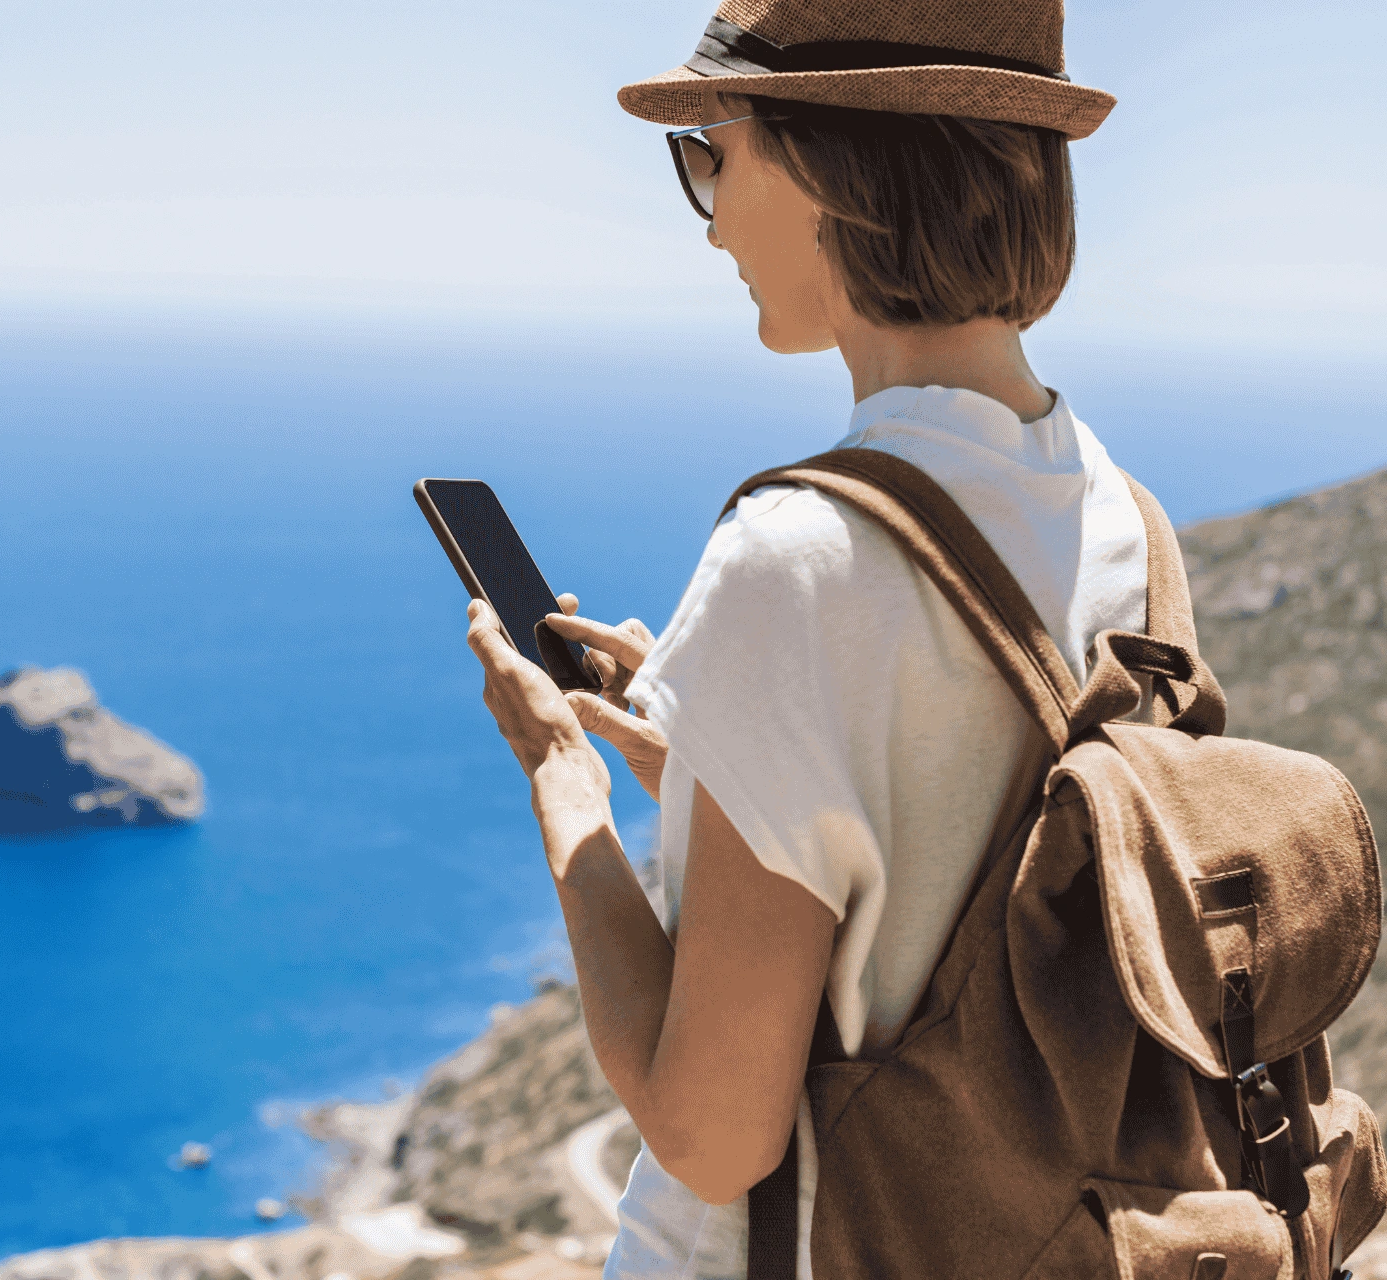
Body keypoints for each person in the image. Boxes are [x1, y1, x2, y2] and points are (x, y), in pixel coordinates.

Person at [461, 3, 1142, 1275]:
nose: (711, 214)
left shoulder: (798, 553)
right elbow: (962, 865)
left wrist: (568, 785)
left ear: (835, 163)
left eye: (718, 147)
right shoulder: (1121, 521)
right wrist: (710, 772)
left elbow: (713, 1138)